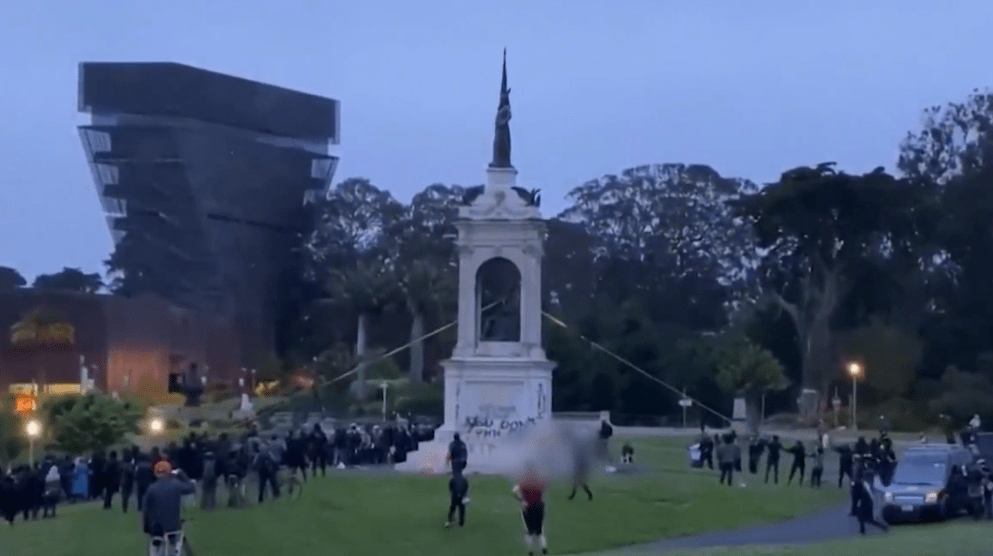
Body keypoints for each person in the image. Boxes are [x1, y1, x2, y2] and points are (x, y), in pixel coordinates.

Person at [142, 461, 196, 554]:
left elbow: (146, 510)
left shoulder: (151, 488)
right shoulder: (176, 485)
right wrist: (181, 474)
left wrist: (146, 527)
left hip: (157, 528)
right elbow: (191, 487)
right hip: (174, 526)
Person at [513, 465, 548, 556]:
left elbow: (515, 491)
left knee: (530, 532)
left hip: (528, 507)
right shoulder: (539, 480)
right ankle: (544, 548)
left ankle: (530, 551)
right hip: (539, 506)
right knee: (540, 531)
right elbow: (544, 491)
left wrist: (521, 500)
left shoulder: (523, 480)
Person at [853, 469, 888, 535]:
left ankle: (883, 527)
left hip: (866, 504)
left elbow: (862, 495)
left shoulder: (864, 486)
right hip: (866, 504)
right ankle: (862, 531)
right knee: (864, 519)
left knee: (868, 520)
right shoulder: (865, 485)